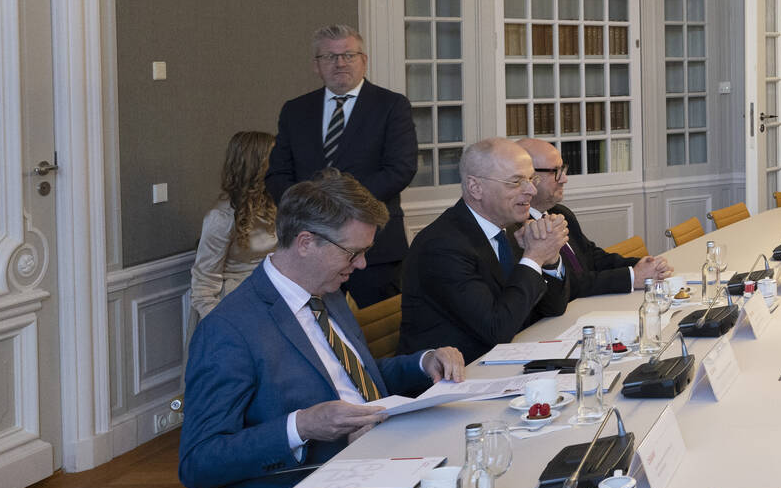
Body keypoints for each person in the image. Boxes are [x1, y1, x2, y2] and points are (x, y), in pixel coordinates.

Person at [179, 173, 465, 488]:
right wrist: (301, 426)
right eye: (353, 253)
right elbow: (198, 462)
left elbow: (351, 379)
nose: (361, 265)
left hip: (380, 460)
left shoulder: (327, 291)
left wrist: (422, 362)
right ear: (305, 242)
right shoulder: (229, 329)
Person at [266, 25, 418, 306]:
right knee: (313, 333)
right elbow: (277, 174)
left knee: (381, 335)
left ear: (364, 60)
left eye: (348, 55)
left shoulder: (391, 106)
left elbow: (401, 169)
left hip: (375, 249)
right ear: (316, 65)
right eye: (329, 57)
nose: (340, 63)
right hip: (309, 247)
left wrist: (341, 205)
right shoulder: (295, 110)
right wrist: (308, 210)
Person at [399, 137, 571, 362]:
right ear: (475, 187)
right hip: (452, 379)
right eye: (516, 181)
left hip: (503, 361)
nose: (531, 190)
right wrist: (533, 257)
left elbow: (554, 307)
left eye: (531, 178)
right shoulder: (442, 246)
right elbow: (497, 329)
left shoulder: (509, 228)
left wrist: (549, 256)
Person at [518, 137, 671, 304]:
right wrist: (632, 276)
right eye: (556, 171)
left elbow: (593, 257)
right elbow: (569, 284)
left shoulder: (561, 213)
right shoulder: (519, 231)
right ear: (529, 177)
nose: (564, 179)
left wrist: (644, 264)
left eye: (563, 169)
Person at [191, 131, 277, 319]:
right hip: (239, 304)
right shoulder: (221, 218)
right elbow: (203, 288)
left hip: (275, 297)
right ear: (257, 166)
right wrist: (222, 326)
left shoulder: (275, 204)